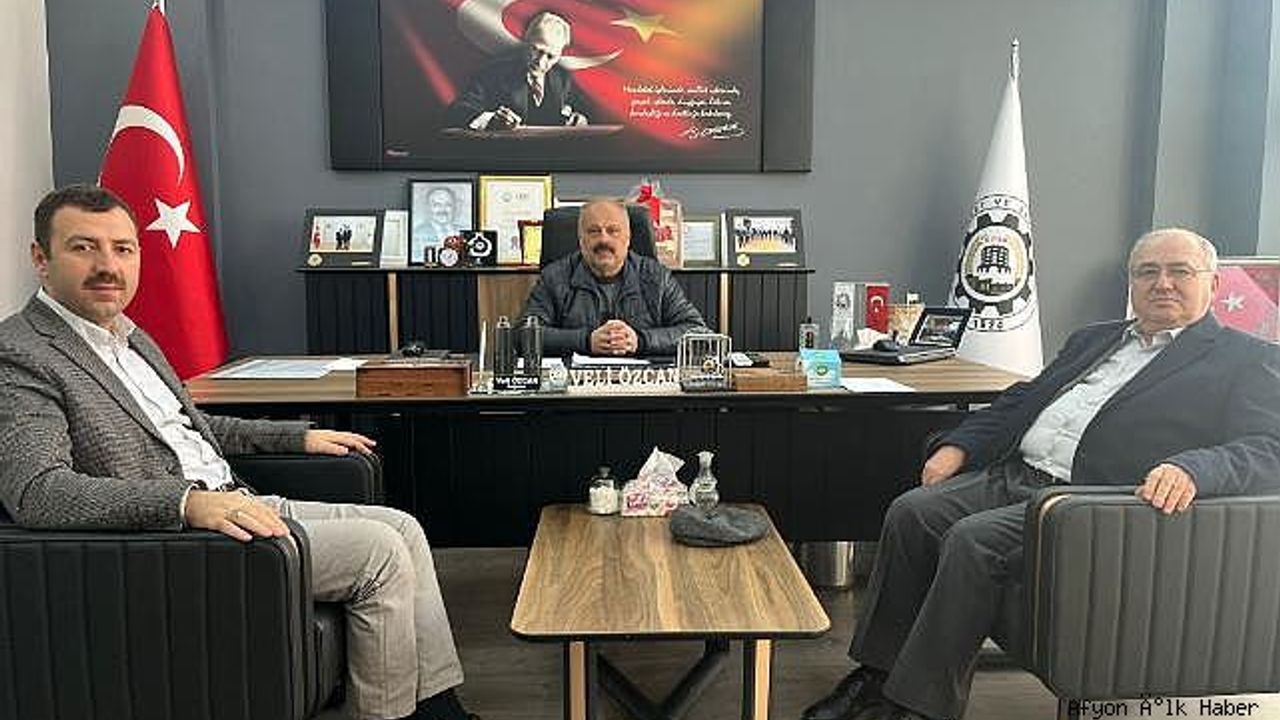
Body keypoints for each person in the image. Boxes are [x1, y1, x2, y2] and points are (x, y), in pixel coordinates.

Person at [0, 185, 477, 720]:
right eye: (84, 247)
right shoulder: (20, 354)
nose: (108, 266)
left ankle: (437, 707)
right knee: (378, 552)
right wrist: (186, 504)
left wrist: (296, 438)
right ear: (41, 258)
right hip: (177, 538)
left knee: (403, 528)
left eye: (123, 249)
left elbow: (195, 427)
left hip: (237, 503)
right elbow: (38, 492)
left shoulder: (130, 338)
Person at [801, 228, 1280, 720]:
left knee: (973, 540)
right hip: (1018, 475)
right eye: (1147, 272)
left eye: (1180, 271)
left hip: (1090, 502)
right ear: (1132, 282)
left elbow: (1269, 447)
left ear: (1213, 284)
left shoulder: (1247, 359)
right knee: (912, 512)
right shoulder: (1095, 338)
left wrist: (1193, 468)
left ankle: (916, 707)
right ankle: (877, 677)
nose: (1162, 283)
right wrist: (959, 446)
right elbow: (1023, 399)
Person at [519, 198, 707, 357]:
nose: (604, 240)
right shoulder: (554, 278)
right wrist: (586, 341)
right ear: (581, 239)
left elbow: (698, 333)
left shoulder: (657, 278)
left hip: (641, 384)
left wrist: (640, 340)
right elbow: (523, 336)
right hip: (574, 385)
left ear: (628, 238)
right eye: (594, 231)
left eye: (613, 231)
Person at [445, 11, 591, 130]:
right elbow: (458, 111)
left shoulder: (562, 78)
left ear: (560, 55)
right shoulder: (494, 72)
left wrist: (581, 120)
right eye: (537, 50)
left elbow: (587, 111)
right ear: (526, 41)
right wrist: (491, 119)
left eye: (550, 56)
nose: (541, 62)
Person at [413, 185, 463, 260]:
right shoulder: (417, 233)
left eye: (448, 205)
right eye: (437, 205)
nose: (443, 210)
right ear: (428, 208)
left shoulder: (462, 232)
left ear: (454, 207)